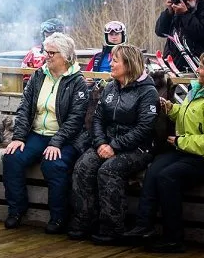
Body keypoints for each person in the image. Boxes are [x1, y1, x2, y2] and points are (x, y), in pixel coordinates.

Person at [124, 50, 204, 253]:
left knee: (168, 176)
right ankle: (144, 226)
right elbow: (188, 117)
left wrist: (180, 141)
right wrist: (171, 108)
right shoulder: (197, 91)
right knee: (154, 168)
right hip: (184, 150)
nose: (197, 70)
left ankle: (174, 238)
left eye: (202, 67)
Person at [68, 44, 159, 244]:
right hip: (106, 143)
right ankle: (85, 220)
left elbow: (144, 128)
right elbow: (98, 118)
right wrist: (101, 143)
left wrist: (115, 146)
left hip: (138, 148)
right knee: (83, 165)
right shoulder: (110, 87)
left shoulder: (147, 92)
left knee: (109, 170)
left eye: (115, 60)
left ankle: (112, 227)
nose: (111, 63)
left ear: (129, 64)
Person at [2, 33, 88, 234]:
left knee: (54, 164)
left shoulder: (77, 82)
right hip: (37, 134)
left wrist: (56, 142)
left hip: (65, 138)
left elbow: (75, 119)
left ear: (65, 56)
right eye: (45, 51)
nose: (46, 56)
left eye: (51, 53)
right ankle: (16, 209)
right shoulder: (38, 76)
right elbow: (25, 108)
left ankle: (58, 216)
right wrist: (19, 137)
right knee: (12, 157)